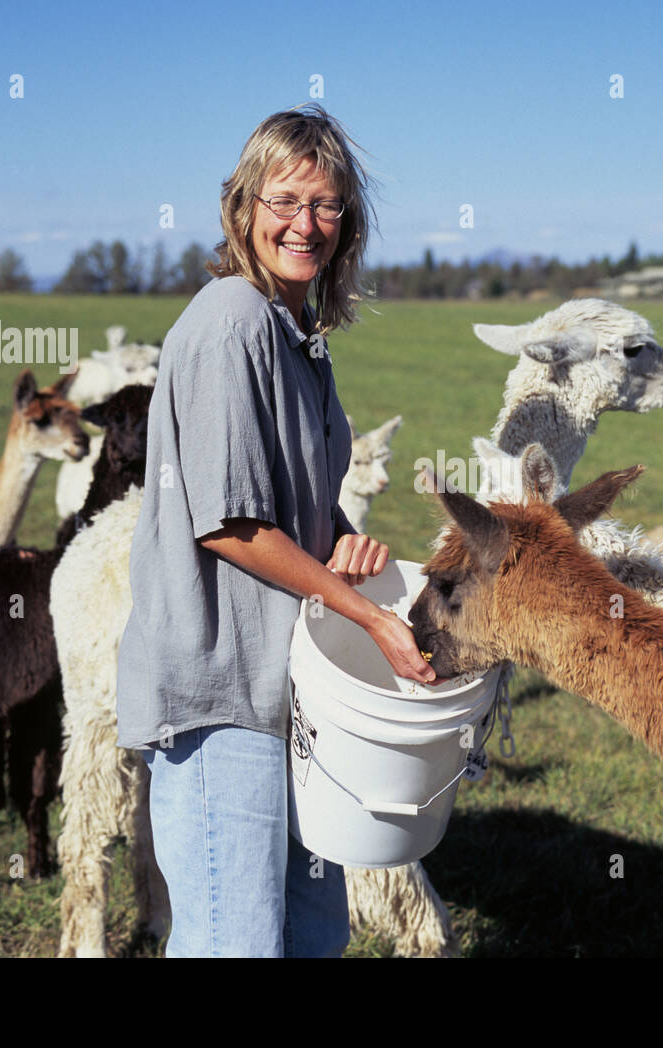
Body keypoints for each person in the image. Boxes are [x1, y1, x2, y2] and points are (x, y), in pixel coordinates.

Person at [116, 104, 435, 957]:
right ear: (244, 208)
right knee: (236, 943)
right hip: (222, 694)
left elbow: (294, 503)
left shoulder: (300, 338)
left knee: (310, 939)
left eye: (326, 206)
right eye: (285, 200)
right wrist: (367, 615)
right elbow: (230, 522)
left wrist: (342, 539)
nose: (305, 224)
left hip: (286, 691)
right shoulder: (232, 321)